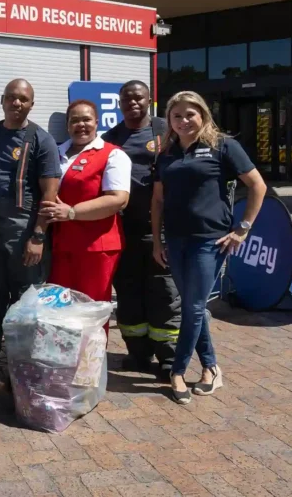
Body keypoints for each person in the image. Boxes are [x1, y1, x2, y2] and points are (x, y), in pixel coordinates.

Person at [152, 91, 266, 404]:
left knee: (191, 307)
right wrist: (157, 241)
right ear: (170, 121)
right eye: (177, 116)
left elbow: (258, 185)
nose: (184, 121)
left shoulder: (223, 146)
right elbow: (158, 200)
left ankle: (177, 371)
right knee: (194, 306)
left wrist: (242, 229)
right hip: (175, 240)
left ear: (203, 115)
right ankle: (211, 368)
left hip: (209, 241)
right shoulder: (167, 153)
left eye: (190, 114)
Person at [0, 79, 60, 381]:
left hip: (26, 234)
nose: (16, 103)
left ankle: (25, 367)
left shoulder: (42, 141)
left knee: (26, 304)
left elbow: (49, 197)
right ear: (2, 100)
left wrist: (38, 237)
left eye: (23, 99)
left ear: (32, 104)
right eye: (11, 98)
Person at [102, 80, 180, 381]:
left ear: (150, 99)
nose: (133, 103)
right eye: (127, 99)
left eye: (138, 98)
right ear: (120, 103)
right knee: (130, 294)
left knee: (164, 295)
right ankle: (138, 354)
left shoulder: (166, 130)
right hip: (123, 232)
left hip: (160, 231)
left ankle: (169, 358)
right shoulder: (111, 138)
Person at [41, 100, 131, 330]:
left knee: (91, 313)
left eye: (86, 119)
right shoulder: (56, 152)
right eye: (75, 120)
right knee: (60, 312)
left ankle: (90, 364)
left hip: (96, 248)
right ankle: (65, 364)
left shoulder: (112, 155)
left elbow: (118, 199)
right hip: (60, 245)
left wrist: (71, 212)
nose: (81, 125)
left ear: (97, 122)